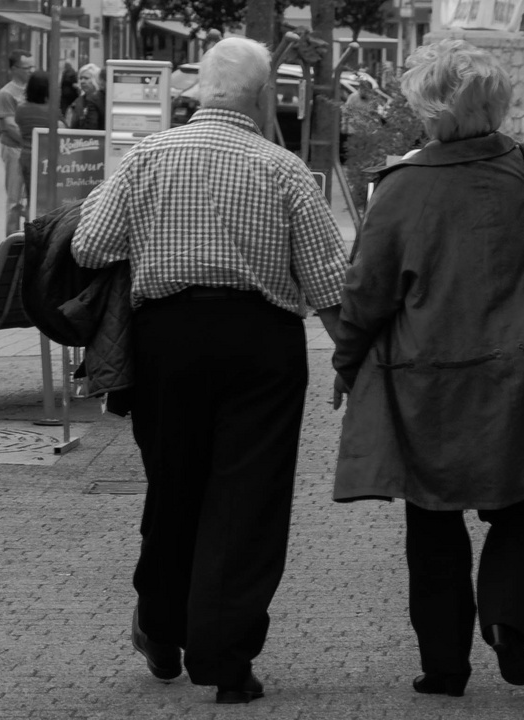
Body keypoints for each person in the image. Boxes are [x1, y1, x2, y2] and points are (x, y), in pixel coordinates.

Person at [73, 36, 349, 705]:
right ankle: (226, 659)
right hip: (262, 344)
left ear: (199, 89)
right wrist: (351, 355)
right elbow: (329, 284)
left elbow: (90, 246)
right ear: (260, 96)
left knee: (174, 486)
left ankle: (163, 630)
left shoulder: (147, 157)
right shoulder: (282, 170)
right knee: (247, 500)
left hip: (166, 339)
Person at [330, 39, 524, 698]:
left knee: (432, 520)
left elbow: (367, 291)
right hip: (520, 367)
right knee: (522, 506)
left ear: (430, 111)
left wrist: (346, 360)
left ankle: (444, 666)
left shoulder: (402, 187)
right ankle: (508, 619)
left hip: (425, 377)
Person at [0, 51, 33, 232]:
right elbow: (9, 125)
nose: (30, 71)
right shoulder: (7, 93)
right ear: (14, 69)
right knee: (14, 199)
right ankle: (11, 242)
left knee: (31, 198)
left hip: (30, 149)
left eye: (32, 67)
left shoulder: (33, 90)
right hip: (14, 149)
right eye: (27, 68)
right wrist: (31, 141)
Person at [14, 71, 51, 218]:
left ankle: (28, 228)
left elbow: (19, 127)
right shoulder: (51, 111)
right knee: (44, 197)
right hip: (46, 157)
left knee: (31, 196)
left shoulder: (21, 109)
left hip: (27, 155)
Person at [65, 62, 104, 130]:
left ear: (95, 80)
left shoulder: (103, 100)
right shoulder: (76, 102)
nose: (82, 81)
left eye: (86, 78)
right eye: (80, 78)